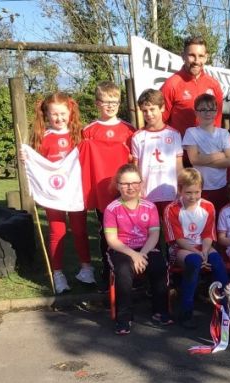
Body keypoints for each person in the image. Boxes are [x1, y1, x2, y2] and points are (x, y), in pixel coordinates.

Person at [28, 92, 93, 294]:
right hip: (53, 194)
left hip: (74, 192)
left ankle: (86, 269)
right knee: (57, 232)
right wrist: (26, 157)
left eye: (63, 113)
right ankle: (58, 273)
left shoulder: (79, 134)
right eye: (54, 114)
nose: (59, 118)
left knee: (80, 230)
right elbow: (35, 163)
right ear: (46, 114)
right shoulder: (42, 138)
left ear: (70, 112)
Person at [103, 164, 172, 335]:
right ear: (118, 185)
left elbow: (154, 235)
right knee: (124, 270)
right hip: (122, 249)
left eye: (135, 183)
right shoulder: (112, 209)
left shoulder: (150, 207)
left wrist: (142, 254)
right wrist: (134, 255)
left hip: (145, 248)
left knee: (159, 265)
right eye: (125, 184)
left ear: (141, 184)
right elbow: (112, 240)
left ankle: (160, 311)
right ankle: (124, 317)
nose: (130, 187)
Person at [82, 81, 135, 288]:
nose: (110, 105)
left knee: (129, 230)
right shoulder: (89, 131)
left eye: (115, 101)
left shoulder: (128, 130)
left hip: (127, 191)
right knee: (106, 231)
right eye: (106, 101)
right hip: (102, 192)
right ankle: (108, 268)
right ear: (97, 103)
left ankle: (130, 271)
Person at [163, 168, 229, 329]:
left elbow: (208, 234)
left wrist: (205, 251)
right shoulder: (171, 209)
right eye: (188, 192)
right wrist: (199, 254)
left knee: (217, 262)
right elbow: (178, 239)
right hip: (181, 248)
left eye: (197, 192)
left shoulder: (208, 206)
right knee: (194, 262)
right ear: (180, 190)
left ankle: (227, 308)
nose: (193, 197)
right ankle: (186, 311)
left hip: (202, 246)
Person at [131, 89, 183, 217]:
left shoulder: (174, 134)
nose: (148, 114)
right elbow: (135, 167)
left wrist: (182, 187)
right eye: (144, 111)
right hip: (146, 194)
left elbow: (179, 166)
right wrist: (137, 190)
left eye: (152, 109)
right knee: (151, 232)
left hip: (170, 192)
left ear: (162, 108)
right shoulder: (137, 136)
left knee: (170, 232)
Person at [182, 93, 230, 213]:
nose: (208, 113)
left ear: (216, 112)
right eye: (203, 110)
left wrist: (203, 158)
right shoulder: (191, 132)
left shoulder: (223, 133)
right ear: (196, 112)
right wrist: (220, 155)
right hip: (200, 188)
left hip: (221, 187)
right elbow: (194, 160)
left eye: (211, 109)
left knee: (221, 222)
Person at [161, 36, 223, 136]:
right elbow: (160, 121)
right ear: (183, 56)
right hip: (181, 150)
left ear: (206, 57)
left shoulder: (214, 85)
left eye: (201, 56)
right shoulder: (171, 84)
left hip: (208, 149)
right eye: (192, 55)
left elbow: (217, 121)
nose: (196, 61)